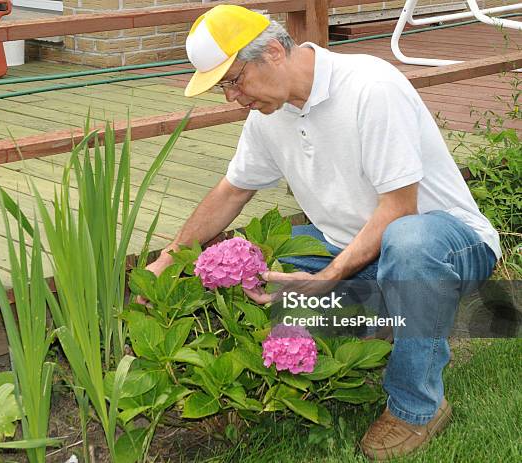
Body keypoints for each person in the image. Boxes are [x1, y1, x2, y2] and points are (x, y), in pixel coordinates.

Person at [144, 5, 500, 460]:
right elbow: (233, 191)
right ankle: (393, 320)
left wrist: (327, 277)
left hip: (446, 244)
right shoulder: (268, 117)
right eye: (223, 88)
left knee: (408, 245)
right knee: (262, 288)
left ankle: (417, 407)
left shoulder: (370, 87)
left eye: (233, 81)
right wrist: (171, 256)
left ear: (273, 51)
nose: (232, 97)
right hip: (351, 249)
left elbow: (399, 209)